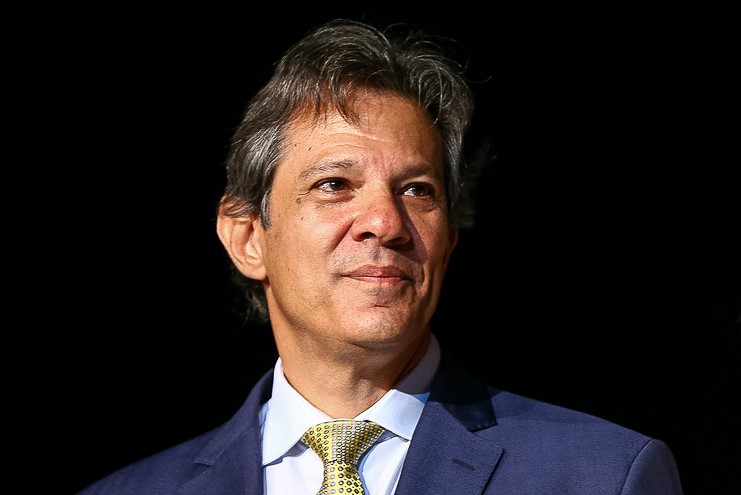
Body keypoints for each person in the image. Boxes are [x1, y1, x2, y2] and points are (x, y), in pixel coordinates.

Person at [77, 18, 684, 494]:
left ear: (448, 239)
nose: (386, 224)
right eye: (335, 185)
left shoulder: (603, 476)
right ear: (247, 238)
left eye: (417, 191)